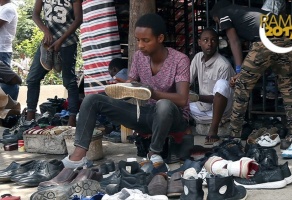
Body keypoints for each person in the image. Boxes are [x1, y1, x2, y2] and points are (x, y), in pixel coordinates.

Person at [61, 13, 190, 169]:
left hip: (172, 118)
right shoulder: (138, 57)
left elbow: (183, 99)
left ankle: (153, 153)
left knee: (163, 105)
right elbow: (132, 85)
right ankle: (78, 156)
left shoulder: (180, 60)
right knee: (92, 100)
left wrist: (153, 93)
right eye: (138, 40)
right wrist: (122, 87)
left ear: (160, 38)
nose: (140, 45)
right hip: (146, 114)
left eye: (146, 40)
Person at [210, 0, 292, 139]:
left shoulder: (223, 13)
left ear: (216, 15)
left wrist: (239, 71)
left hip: (267, 39)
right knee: (286, 85)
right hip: (289, 35)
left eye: (216, 21)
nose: (219, 25)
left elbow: (234, 42)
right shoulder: (242, 11)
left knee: (242, 87)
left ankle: (234, 138)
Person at [24, 0, 82, 127]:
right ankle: (30, 119)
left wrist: (61, 40)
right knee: (33, 78)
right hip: (47, 43)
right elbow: (35, 14)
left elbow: (78, 19)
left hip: (68, 43)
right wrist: (45, 30)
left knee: (70, 82)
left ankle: (72, 120)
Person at [189, 27, 235, 145]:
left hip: (222, 110)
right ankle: (182, 128)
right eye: (205, 40)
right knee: (178, 97)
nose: (209, 44)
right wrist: (184, 94)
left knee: (221, 84)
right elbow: (187, 81)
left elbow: (218, 97)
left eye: (213, 40)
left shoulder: (223, 65)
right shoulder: (197, 58)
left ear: (217, 43)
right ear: (199, 43)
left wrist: (197, 97)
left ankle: (213, 130)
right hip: (202, 110)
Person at [0, 0, 19, 100]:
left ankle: (10, 109)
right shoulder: (3, 8)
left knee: (7, 80)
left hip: (2, 50)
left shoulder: (8, 8)